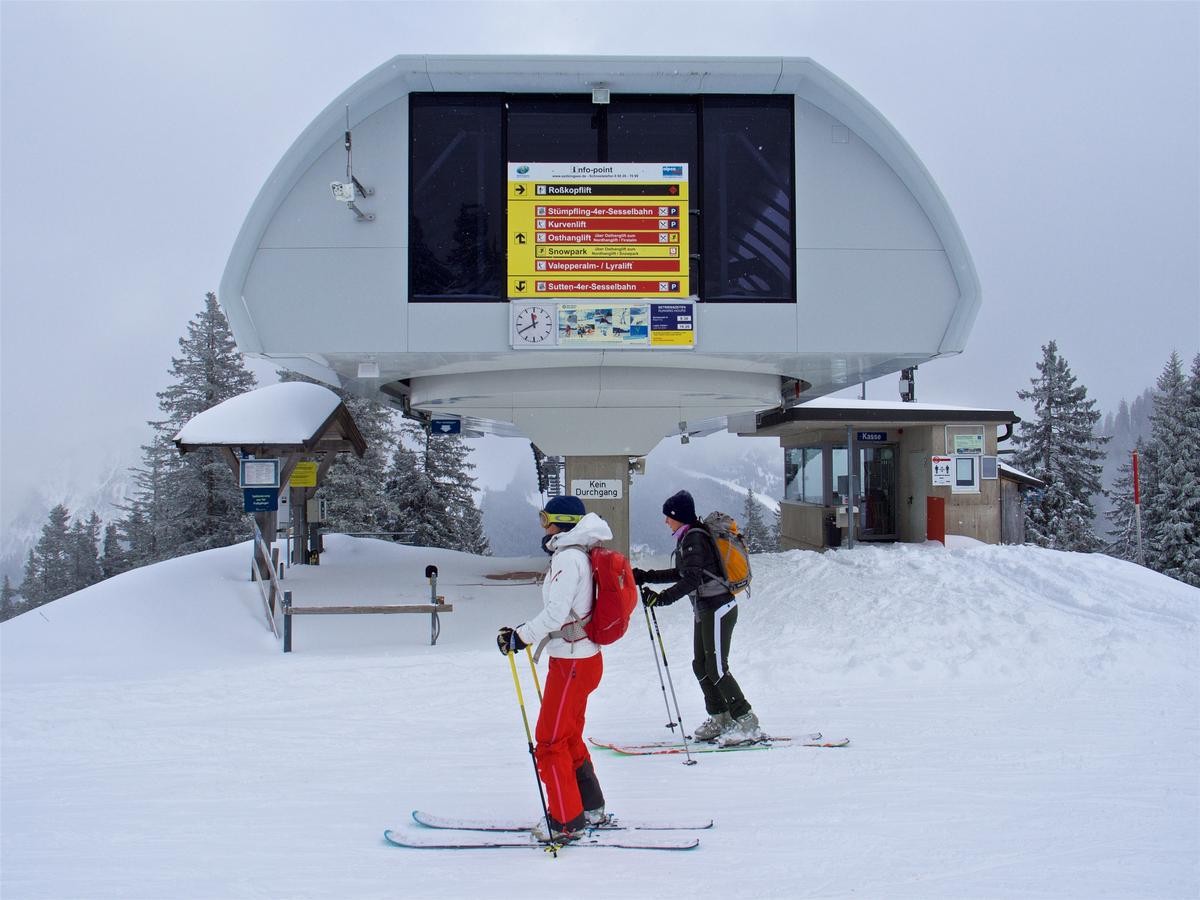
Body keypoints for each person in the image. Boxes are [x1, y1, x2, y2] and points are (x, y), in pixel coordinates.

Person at [496, 495, 611, 842]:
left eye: (544, 517)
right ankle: (590, 806)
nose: (542, 525)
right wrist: (525, 632)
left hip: (572, 663)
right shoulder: (580, 554)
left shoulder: (568, 558)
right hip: (583, 658)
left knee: (549, 741)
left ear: (557, 521)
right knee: (568, 735)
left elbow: (556, 614)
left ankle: (565, 820)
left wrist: (521, 637)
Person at [633, 489, 763, 746]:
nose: (665, 521)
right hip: (705, 609)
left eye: (667, 517)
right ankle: (720, 718)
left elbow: (691, 579)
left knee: (715, 667)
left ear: (677, 515)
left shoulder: (694, 539)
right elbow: (685, 573)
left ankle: (746, 720)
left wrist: (663, 599)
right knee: (700, 665)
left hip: (718, 608)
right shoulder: (688, 539)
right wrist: (646, 576)